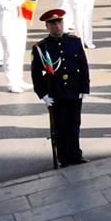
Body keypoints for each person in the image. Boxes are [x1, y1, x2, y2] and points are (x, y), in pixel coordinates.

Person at [31, 9, 90, 167]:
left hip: (74, 86)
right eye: (53, 24)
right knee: (60, 125)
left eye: (59, 22)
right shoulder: (41, 47)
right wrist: (42, 94)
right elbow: (36, 73)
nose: (57, 26)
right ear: (47, 26)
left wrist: (85, 87)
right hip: (55, 89)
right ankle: (63, 157)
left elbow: (83, 65)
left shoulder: (74, 41)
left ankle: (76, 155)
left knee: (74, 123)